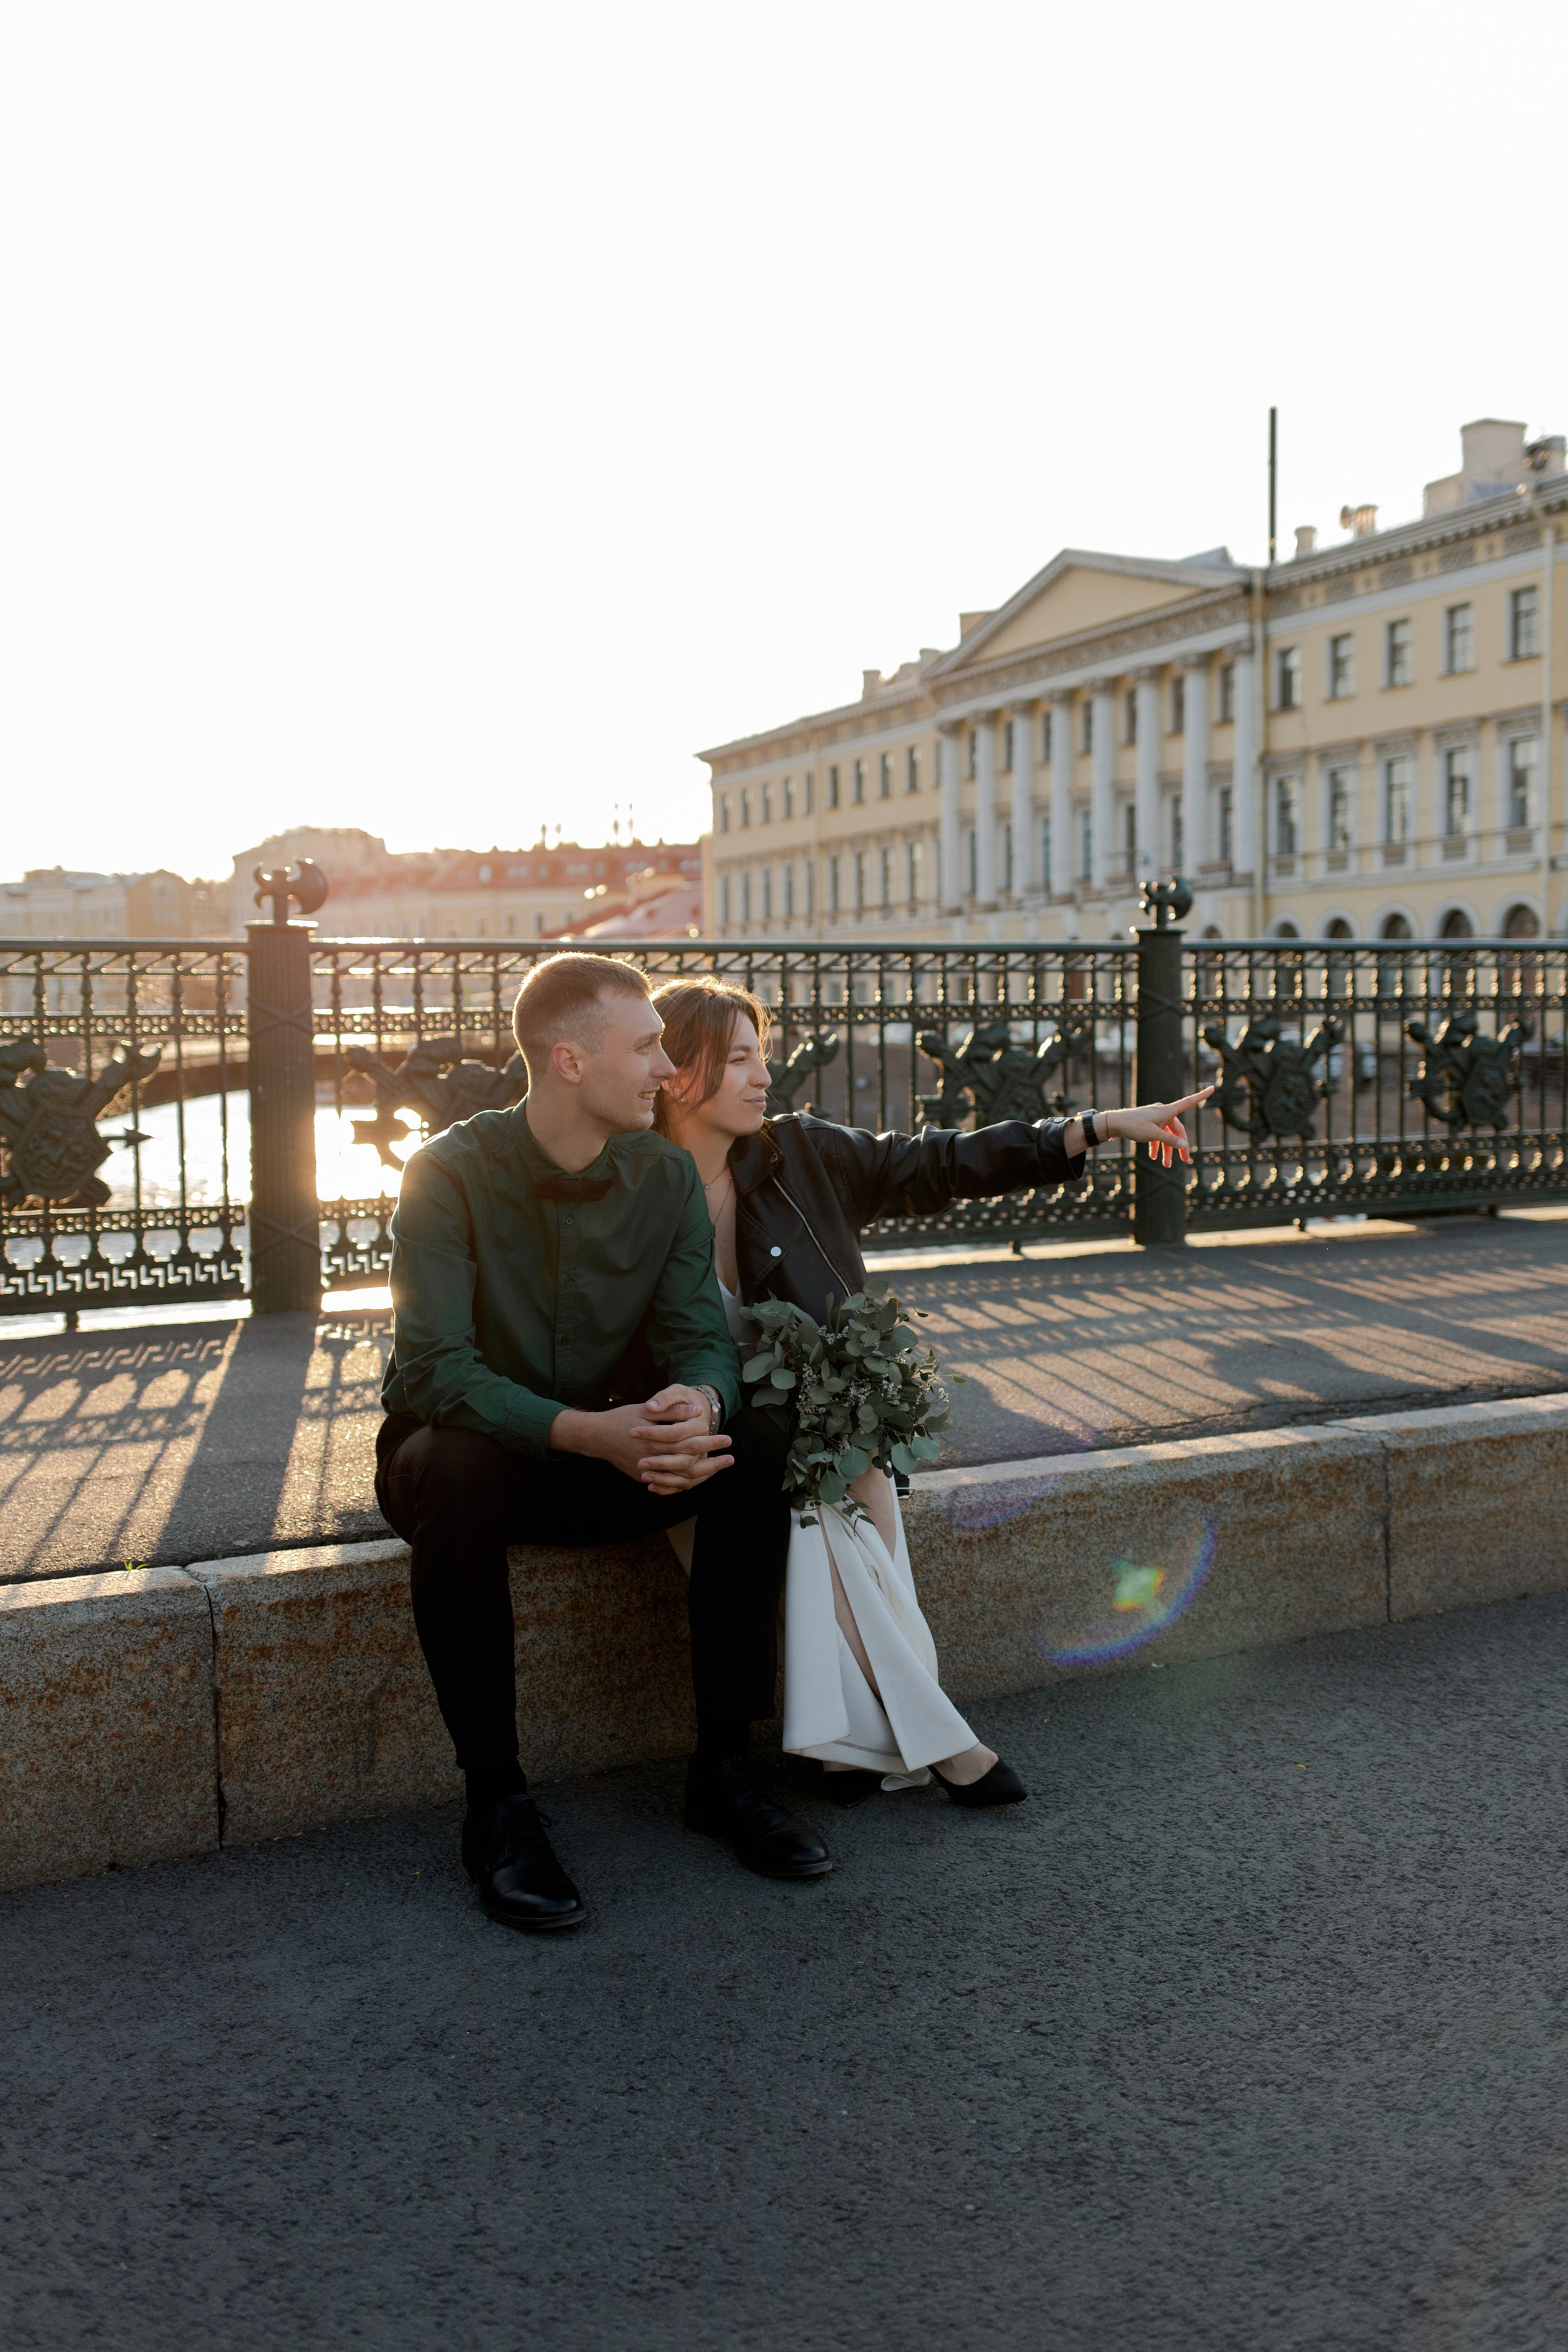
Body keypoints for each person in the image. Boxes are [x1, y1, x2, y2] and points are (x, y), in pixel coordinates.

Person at [651, 977, 1211, 1807]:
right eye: (738, 1059)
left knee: (836, 1492)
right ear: (675, 1071)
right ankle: (944, 1743)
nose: (763, 1076)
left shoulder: (799, 1154)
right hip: (707, 1448)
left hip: (819, 1429)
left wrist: (1089, 1128)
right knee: (809, 1514)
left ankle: (849, 1744)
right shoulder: (629, 1193)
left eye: (761, 1055)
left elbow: (941, 1161)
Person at [375, 953, 834, 1937]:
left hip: (610, 1453)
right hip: (475, 1462)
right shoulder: (446, 1171)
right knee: (450, 1467)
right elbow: (433, 1371)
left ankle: (723, 1771)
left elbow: (699, 1340)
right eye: (648, 1047)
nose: (669, 1070)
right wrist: (590, 1433)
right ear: (569, 1061)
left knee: (755, 1431)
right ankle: (495, 1807)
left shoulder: (662, 1172)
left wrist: (696, 1408)